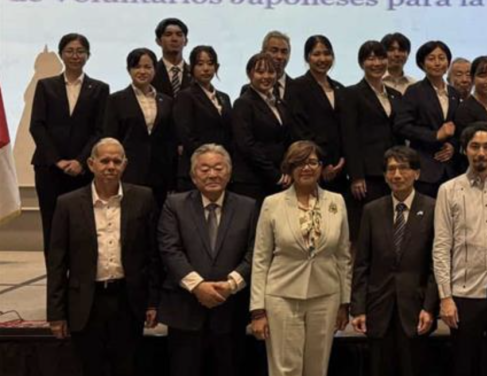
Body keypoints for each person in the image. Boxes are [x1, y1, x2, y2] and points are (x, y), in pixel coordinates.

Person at [46, 138, 159, 376]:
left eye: (117, 161)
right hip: (86, 302)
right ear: (91, 164)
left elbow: (152, 255)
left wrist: (152, 301)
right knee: (91, 367)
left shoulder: (143, 198)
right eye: (105, 161)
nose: (110, 166)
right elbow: (57, 263)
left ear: (125, 164)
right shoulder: (67, 204)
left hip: (128, 300)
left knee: (127, 366)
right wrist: (56, 313)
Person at [250, 141, 352, 376]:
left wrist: (344, 303)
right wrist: (258, 310)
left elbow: (343, 256)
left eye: (312, 162)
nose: (307, 168)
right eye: (299, 163)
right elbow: (260, 258)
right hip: (282, 296)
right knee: (285, 369)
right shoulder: (272, 203)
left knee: (317, 368)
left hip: (326, 295)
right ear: (289, 168)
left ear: (321, 167)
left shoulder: (336, 201)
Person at [157, 144, 257, 376]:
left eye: (218, 168)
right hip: (185, 311)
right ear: (193, 176)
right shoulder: (175, 204)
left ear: (229, 173)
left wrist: (231, 284)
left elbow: (255, 252)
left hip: (230, 311)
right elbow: (169, 249)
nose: (212, 174)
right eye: (204, 169)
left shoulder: (248, 206)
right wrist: (198, 286)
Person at [433, 123, 487, 376]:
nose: (481, 153)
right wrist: (445, 297)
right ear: (464, 149)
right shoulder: (448, 191)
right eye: (475, 146)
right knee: (464, 365)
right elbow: (441, 247)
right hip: (463, 293)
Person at [352, 146, 438, 376]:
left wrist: (430, 307)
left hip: (416, 310)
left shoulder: (433, 208)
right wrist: (358, 308)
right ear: (384, 175)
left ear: (417, 173)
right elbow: (362, 264)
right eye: (391, 169)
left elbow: (436, 264)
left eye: (403, 168)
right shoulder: (371, 210)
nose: (397, 175)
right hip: (378, 309)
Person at [30, 33, 109, 256]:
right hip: (49, 168)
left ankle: (79, 275)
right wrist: (57, 160)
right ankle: (55, 276)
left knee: (82, 226)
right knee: (52, 224)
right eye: (70, 51)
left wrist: (80, 161)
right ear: (61, 54)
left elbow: (100, 130)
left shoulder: (100, 88)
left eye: (80, 51)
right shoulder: (45, 86)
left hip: (84, 170)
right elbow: (37, 126)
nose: (75, 56)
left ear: (88, 55)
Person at [342, 40, 403, 238]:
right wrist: (356, 175)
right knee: (365, 230)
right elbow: (349, 136)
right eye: (370, 59)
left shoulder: (395, 95)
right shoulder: (351, 93)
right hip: (367, 175)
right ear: (361, 63)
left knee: (389, 229)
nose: (376, 63)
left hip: (392, 172)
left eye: (380, 58)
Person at [104, 47, 176, 209]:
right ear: (129, 70)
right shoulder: (116, 100)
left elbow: (170, 139)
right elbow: (110, 137)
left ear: (155, 70)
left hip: (160, 173)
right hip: (128, 171)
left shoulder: (167, 101)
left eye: (147, 67)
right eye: (137, 67)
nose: (142, 71)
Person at [395, 41, 462, 198]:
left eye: (442, 58)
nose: (437, 63)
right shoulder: (414, 91)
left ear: (448, 63)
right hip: (425, 169)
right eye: (431, 59)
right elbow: (401, 126)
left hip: (451, 170)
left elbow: (459, 126)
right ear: (422, 64)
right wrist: (435, 135)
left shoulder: (454, 93)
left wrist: (453, 145)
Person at [286, 35, 347, 192]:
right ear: (307, 58)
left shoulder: (340, 88)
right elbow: (300, 129)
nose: (322, 59)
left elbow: (346, 128)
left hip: (341, 169)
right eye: (316, 54)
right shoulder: (297, 86)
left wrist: (343, 159)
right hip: (312, 167)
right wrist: (323, 162)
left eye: (327, 54)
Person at [231, 53, 292, 206]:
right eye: (260, 72)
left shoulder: (280, 103)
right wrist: (274, 174)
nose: (266, 76)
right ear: (249, 74)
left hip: (278, 179)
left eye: (271, 72)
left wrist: (286, 171)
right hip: (252, 181)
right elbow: (247, 145)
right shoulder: (243, 103)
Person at [173, 46, 233, 191]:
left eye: (210, 63)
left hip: (221, 168)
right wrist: (208, 158)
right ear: (191, 68)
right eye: (200, 64)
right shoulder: (185, 96)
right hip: (195, 169)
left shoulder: (224, 97)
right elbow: (186, 135)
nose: (206, 68)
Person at [240, 31, 295, 100]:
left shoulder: (299, 88)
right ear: (263, 53)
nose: (279, 56)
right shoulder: (248, 90)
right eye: (274, 51)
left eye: (284, 52)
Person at [152, 17, 191, 97]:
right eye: (168, 34)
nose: (174, 39)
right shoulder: (151, 72)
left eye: (179, 35)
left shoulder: (195, 73)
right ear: (158, 41)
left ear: (186, 41)